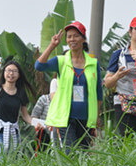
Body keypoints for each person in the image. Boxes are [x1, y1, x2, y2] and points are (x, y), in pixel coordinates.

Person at [35, 21, 102, 151]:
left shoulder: (93, 63)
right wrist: (52, 46)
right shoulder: (61, 61)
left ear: (83, 38)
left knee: (82, 155)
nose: (72, 39)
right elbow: (39, 66)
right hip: (65, 118)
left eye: (76, 36)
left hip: (86, 119)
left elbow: (98, 92)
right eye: (69, 36)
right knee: (70, 153)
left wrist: (97, 115)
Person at [104, 16, 136, 136]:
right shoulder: (119, 54)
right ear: (130, 31)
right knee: (127, 141)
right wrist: (117, 76)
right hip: (124, 104)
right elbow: (108, 83)